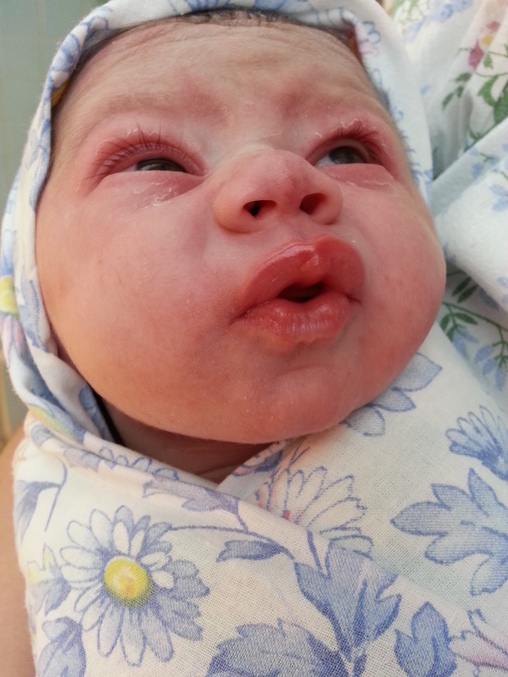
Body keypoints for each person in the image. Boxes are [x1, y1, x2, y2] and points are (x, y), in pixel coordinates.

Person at [1, 0, 507, 675]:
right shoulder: (48, 522)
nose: (283, 177)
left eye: (346, 152)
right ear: (33, 296)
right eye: (156, 164)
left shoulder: (476, 325)